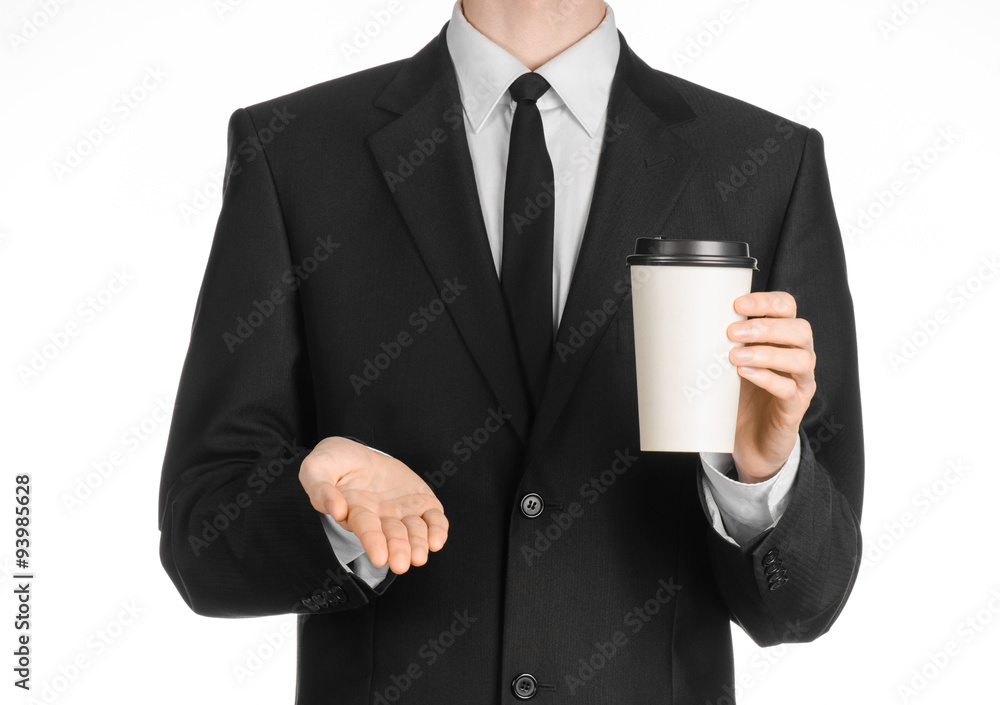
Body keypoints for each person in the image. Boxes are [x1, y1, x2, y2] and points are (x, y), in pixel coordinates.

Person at [157, 1, 864, 702]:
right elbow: (200, 538)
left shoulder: (766, 164)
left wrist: (761, 477)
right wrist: (332, 521)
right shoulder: (295, 152)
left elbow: (805, 603)